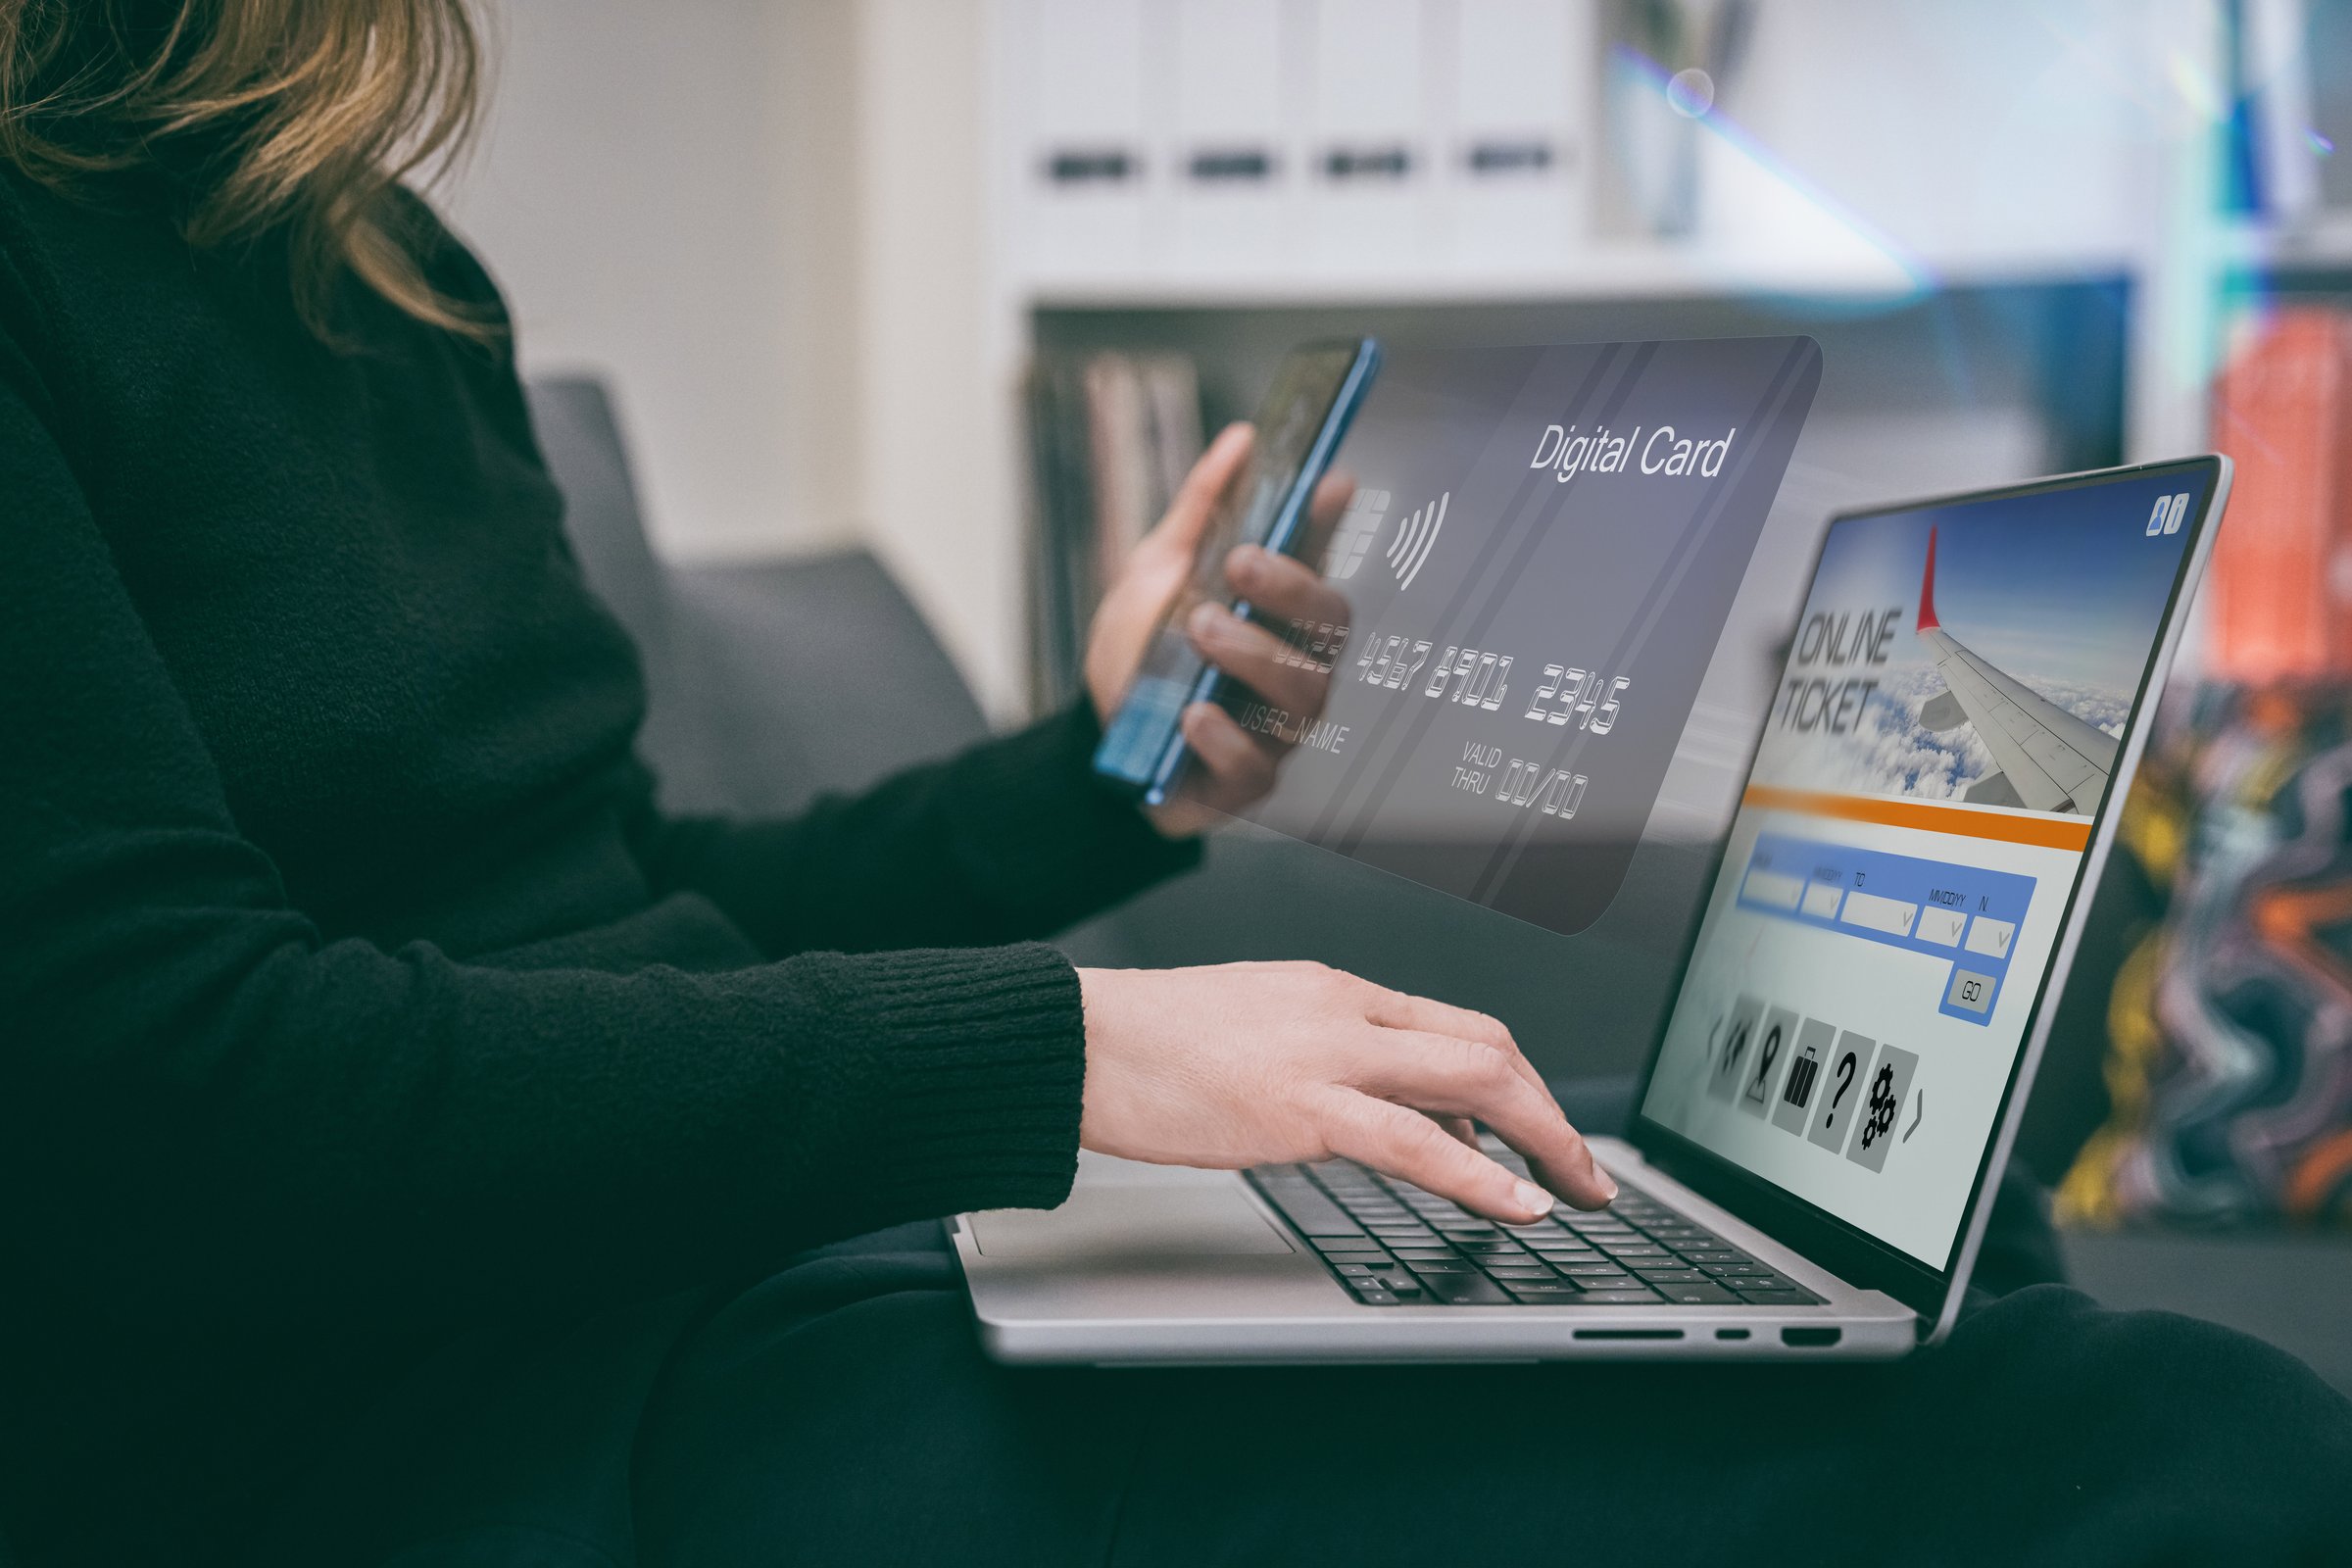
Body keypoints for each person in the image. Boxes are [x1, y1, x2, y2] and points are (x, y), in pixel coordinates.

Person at [0, 5, 2344, 1566]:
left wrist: (1112, 779)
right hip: (444, 1427)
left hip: (689, 1265)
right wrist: (1071, 1050)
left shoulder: (367, 258)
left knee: (1869, 1233)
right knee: (2149, 1438)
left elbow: (622, 903)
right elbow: (155, 1079)